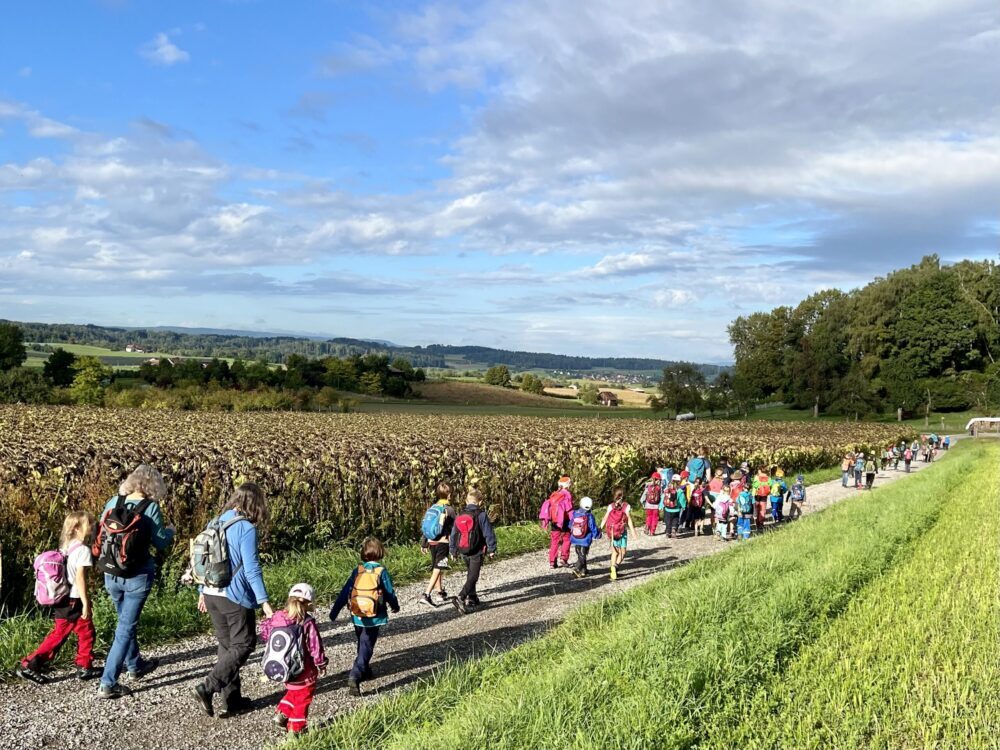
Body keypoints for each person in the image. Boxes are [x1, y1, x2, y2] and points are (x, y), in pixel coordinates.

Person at [95, 464, 175, 699]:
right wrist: (170, 531)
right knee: (125, 628)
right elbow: (160, 543)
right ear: (155, 486)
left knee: (124, 623)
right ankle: (107, 682)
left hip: (110, 573)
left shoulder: (113, 502)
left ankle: (135, 666)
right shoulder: (151, 508)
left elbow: (101, 534)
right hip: (137, 576)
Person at [194, 482, 273, 718]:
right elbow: (252, 569)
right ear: (255, 504)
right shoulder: (246, 528)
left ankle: (232, 700)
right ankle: (208, 687)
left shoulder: (214, 522)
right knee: (244, 643)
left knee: (227, 645)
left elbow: (203, 562)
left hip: (211, 594)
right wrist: (264, 602)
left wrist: (201, 590)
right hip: (234, 595)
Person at [18, 511, 100, 684]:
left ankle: (85, 665)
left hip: (63, 598)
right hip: (74, 599)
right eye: (90, 524)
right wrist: (86, 603)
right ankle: (30, 665)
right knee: (59, 635)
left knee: (86, 631)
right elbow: (80, 578)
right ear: (77, 528)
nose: (93, 527)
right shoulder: (83, 550)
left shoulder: (66, 547)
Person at [330, 537, 400, 696]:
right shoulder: (381, 572)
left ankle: (366, 669)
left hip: (357, 614)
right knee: (367, 644)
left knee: (362, 641)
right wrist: (395, 606)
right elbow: (389, 593)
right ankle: (355, 674)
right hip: (374, 616)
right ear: (380, 553)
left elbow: (345, 591)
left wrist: (334, 612)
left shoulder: (358, 570)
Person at [261, 583, 327, 734]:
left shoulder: (277, 617)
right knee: (303, 699)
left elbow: (266, 636)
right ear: (309, 604)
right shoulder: (307, 622)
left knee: (294, 693)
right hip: (304, 670)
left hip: (283, 667)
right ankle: (296, 729)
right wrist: (321, 663)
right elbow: (315, 646)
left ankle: (282, 715)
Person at [449, 488, 497, 614]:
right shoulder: (481, 515)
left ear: (466, 501)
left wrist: (453, 550)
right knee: (473, 576)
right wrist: (492, 548)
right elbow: (488, 533)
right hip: (477, 550)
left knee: (470, 573)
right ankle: (461, 597)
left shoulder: (460, 515)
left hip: (463, 550)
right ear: (480, 502)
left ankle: (472, 597)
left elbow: (454, 533)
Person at [420, 482, 457, 607]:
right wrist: (454, 548)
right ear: (450, 495)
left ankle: (440, 592)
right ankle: (427, 594)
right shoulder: (450, 510)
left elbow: (426, 526)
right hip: (443, 542)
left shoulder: (432, 508)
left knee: (438, 566)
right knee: (438, 568)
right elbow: (455, 529)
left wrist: (424, 543)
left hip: (432, 542)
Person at [539, 476, 574, 569]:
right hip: (565, 521)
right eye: (570, 483)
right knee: (567, 539)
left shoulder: (554, 494)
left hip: (554, 521)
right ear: (567, 485)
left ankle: (552, 562)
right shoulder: (567, 494)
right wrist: (573, 520)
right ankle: (563, 559)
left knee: (554, 541)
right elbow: (569, 509)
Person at [600, 488, 635, 580]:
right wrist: (633, 532)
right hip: (622, 532)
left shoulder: (610, 506)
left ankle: (612, 570)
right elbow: (629, 520)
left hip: (612, 532)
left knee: (614, 552)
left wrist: (600, 528)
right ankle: (615, 567)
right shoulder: (626, 506)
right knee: (622, 553)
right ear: (623, 496)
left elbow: (605, 518)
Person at [569, 496, 601, 577]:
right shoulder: (589, 515)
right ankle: (577, 569)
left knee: (579, 553)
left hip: (575, 537)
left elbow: (570, 524)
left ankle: (584, 570)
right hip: (585, 538)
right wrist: (597, 534)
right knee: (583, 554)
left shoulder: (575, 513)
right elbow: (592, 527)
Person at [662, 474, 685, 538]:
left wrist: (661, 506)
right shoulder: (680, 491)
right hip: (676, 509)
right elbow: (682, 500)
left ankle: (667, 533)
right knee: (675, 519)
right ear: (679, 482)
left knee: (668, 521)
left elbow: (663, 497)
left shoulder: (667, 489)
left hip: (667, 509)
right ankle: (673, 530)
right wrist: (684, 506)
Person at [751, 466, 770, 532]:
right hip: (764, 495)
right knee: (763, 509)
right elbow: (770, 485)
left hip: (757, 495)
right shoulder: (768, 477)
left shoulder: (757, 477)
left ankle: (757, 523)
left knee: (757, 508)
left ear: (760, 471)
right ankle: (761, 523)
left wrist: (753, 494)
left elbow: (754, 486)